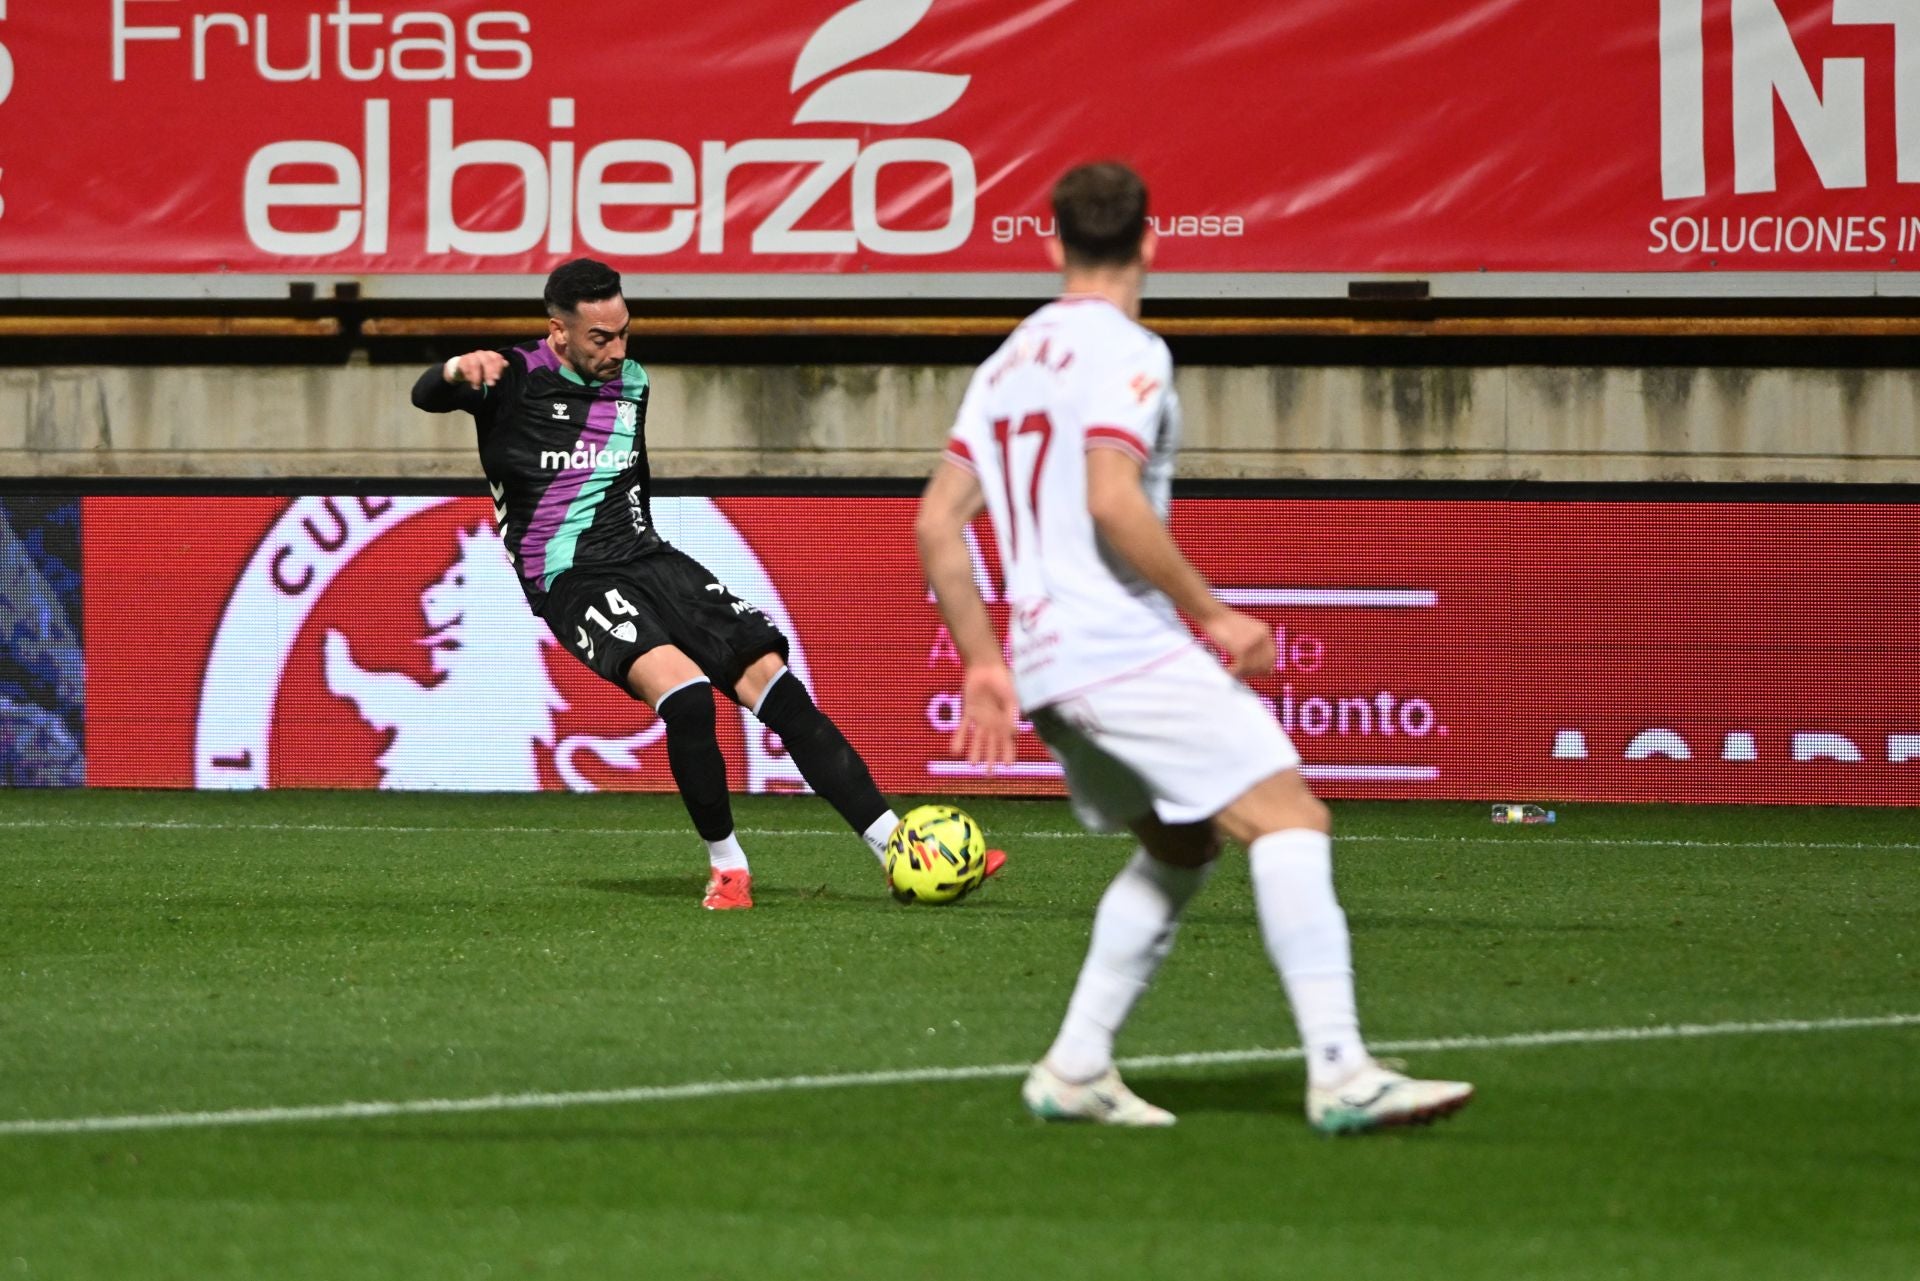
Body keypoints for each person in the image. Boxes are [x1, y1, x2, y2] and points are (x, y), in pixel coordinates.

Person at [914, 163, 1471, 1133]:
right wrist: (1214, 615)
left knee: (1179, 842)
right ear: (1152, 239)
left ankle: (1077, 1068)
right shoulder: (1131, 349)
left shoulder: (1004, 365)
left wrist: (983, 661)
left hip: (1048, 663)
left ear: (1051, 244)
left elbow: (935, 525)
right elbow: (1110, 494)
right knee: (1291, 818)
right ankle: (1342, 1072)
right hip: (1115, 645)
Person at [413, 257, 1003, 910]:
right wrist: (451, 373)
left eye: (624, 332)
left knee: (777, 686)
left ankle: (897, 848)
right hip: (571, 578)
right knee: (689, 697)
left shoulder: (631, 382)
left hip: (651, 559)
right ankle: (728, 868)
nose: (617, 350)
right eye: (600, 338)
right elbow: (425, 396)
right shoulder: (511, 377)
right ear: (558, 331)